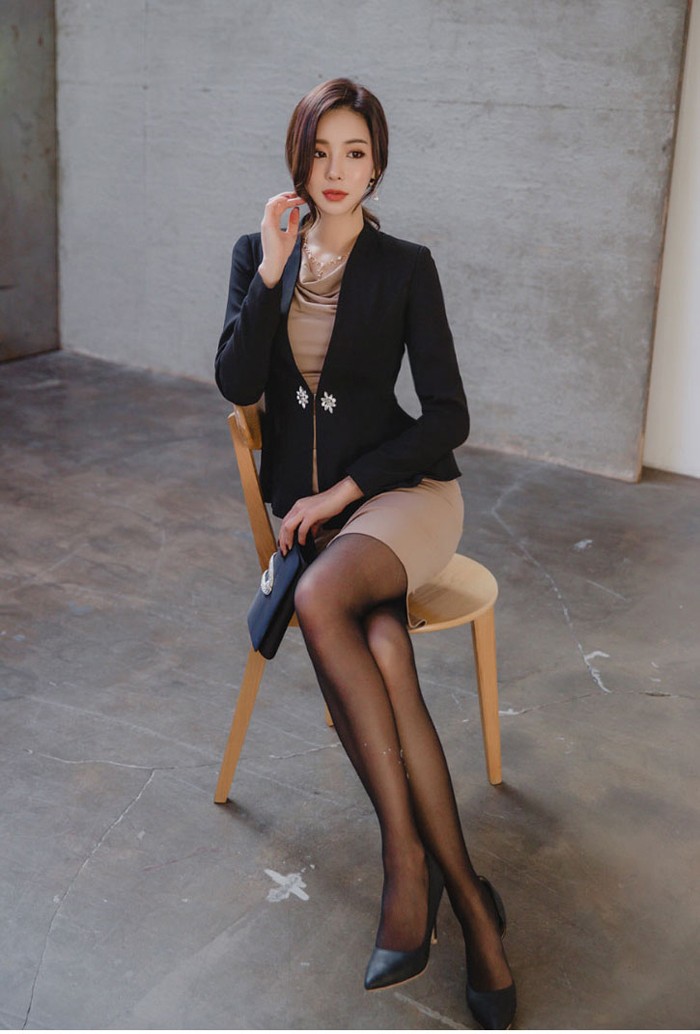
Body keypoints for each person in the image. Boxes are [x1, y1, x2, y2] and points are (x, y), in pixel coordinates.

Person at [215, 78, 516, 1030]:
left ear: (378, 160)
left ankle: (405, 866)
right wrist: (271, 276)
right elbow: (233, 381)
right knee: (381, 643)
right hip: (316, 525)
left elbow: (448, 416)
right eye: (320, 152)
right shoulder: (258, 254)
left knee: (322, 602)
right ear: (297, 159)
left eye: (354, 151)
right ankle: (470, 902)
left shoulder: (406, 267)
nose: (335, 170)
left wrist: (345, 491)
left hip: (400, 499)